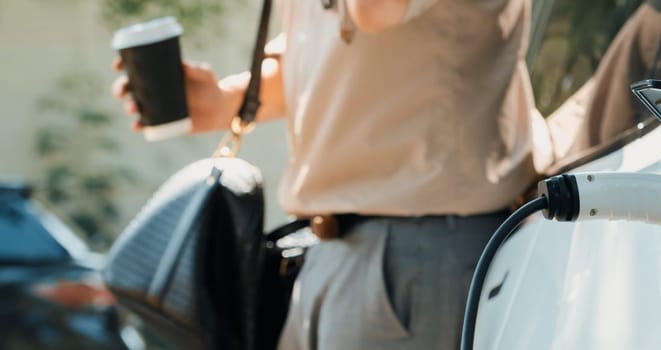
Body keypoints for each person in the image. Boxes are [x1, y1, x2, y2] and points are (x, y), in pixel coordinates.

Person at [111, 0, 548, 349]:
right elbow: (324, 47)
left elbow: (375, 11)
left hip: (413, 256)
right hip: (330, 254)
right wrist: (229, 100)